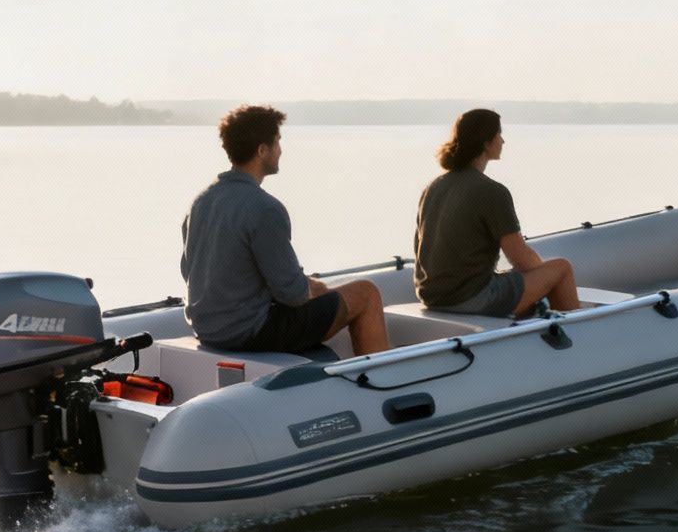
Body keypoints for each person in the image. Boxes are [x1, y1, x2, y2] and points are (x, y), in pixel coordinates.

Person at [181, 104, 390, 356]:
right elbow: (293, 294)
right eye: (278, 141)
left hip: (207, 330)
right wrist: (318, 289)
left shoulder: (200, 202)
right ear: (262, 150)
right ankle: (381, 385)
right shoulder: (265, 208)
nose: (281, 150)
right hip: (250, 332)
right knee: (366, 293)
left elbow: (189, 272)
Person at [413, 108, 579, 318]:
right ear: (486, 143)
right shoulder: (492, 191)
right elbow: (521, 258)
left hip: (431, 297)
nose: (503, 141)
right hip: (470, 298)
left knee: (516, 277)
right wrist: (542, 276)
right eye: (499, 135)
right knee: (561, 269)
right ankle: (581, 338)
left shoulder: (433, 187)